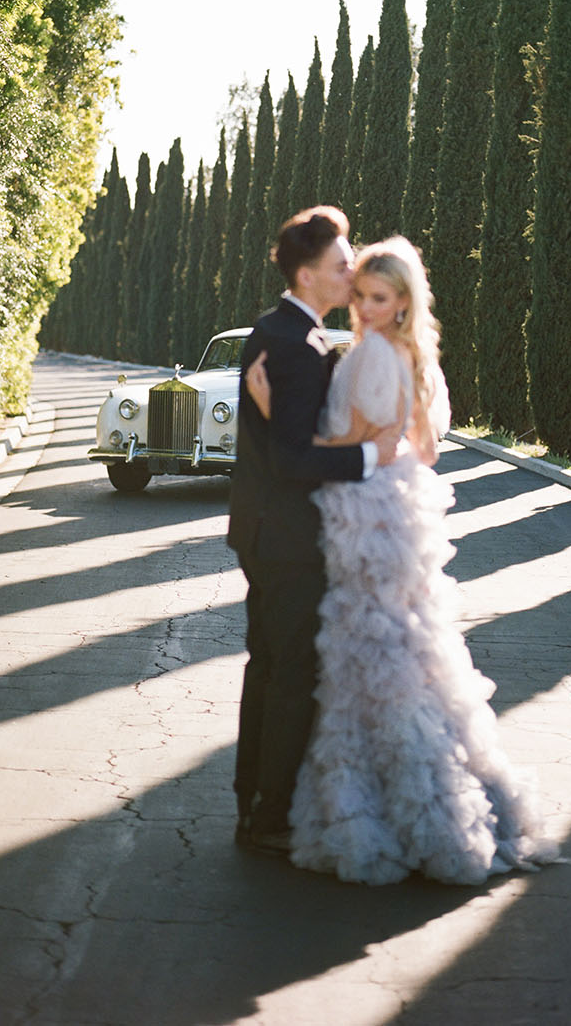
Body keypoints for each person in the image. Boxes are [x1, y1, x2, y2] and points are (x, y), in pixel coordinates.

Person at [246, 235, 561, 885]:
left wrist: (276, 411)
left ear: (401, 303)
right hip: (396, 518)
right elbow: (426, 449)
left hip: (363, 516)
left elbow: (349, 443)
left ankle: (365, 803)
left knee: (363, 661)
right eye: (358, 293)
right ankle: (423, 797)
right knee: (400, 658)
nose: (361, 306)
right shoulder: (410, 354)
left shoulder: (370, 359)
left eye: (376, 297)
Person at [227, 207, 399, 853]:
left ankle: (251, 797)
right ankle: (270, 816)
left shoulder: (271, 332)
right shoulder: (297, 349)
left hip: (258, 533)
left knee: (266, 665)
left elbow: (283, 435)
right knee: (292, 670)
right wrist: (369, 456)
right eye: (340, 264)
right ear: (308, 275)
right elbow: (293, 459)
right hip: (291, 541)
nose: (350, 270)